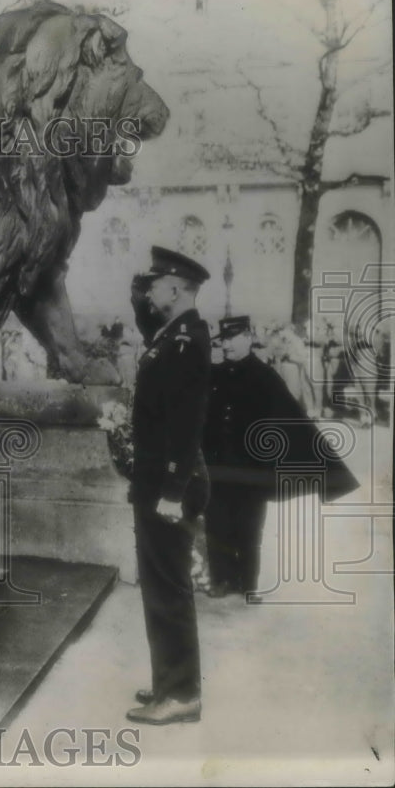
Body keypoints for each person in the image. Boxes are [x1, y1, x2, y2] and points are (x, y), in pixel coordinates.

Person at [204, 315, 360, 600]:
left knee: (249, 525)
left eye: (232, 339)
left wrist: (328, 469)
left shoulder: (265, 376)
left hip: (251, 469)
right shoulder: (215, 374)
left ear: (248, 338)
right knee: (217, 522)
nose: (226, 345)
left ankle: (248, 583)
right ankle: (221, 579)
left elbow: (291, 417)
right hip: (218, 466)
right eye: (223, 340)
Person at [125, 246, 211, 726]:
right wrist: (140, 294)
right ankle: (169, 681)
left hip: (168, 484)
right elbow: (144, 317)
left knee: (169, 589)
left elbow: (186, 422)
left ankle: (180, 694)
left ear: (175, 288)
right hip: (157, 481)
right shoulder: (171, 334)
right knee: (158, 586)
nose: (149, 290)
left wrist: (174, 491)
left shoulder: (185, 341)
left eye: (155, 283)